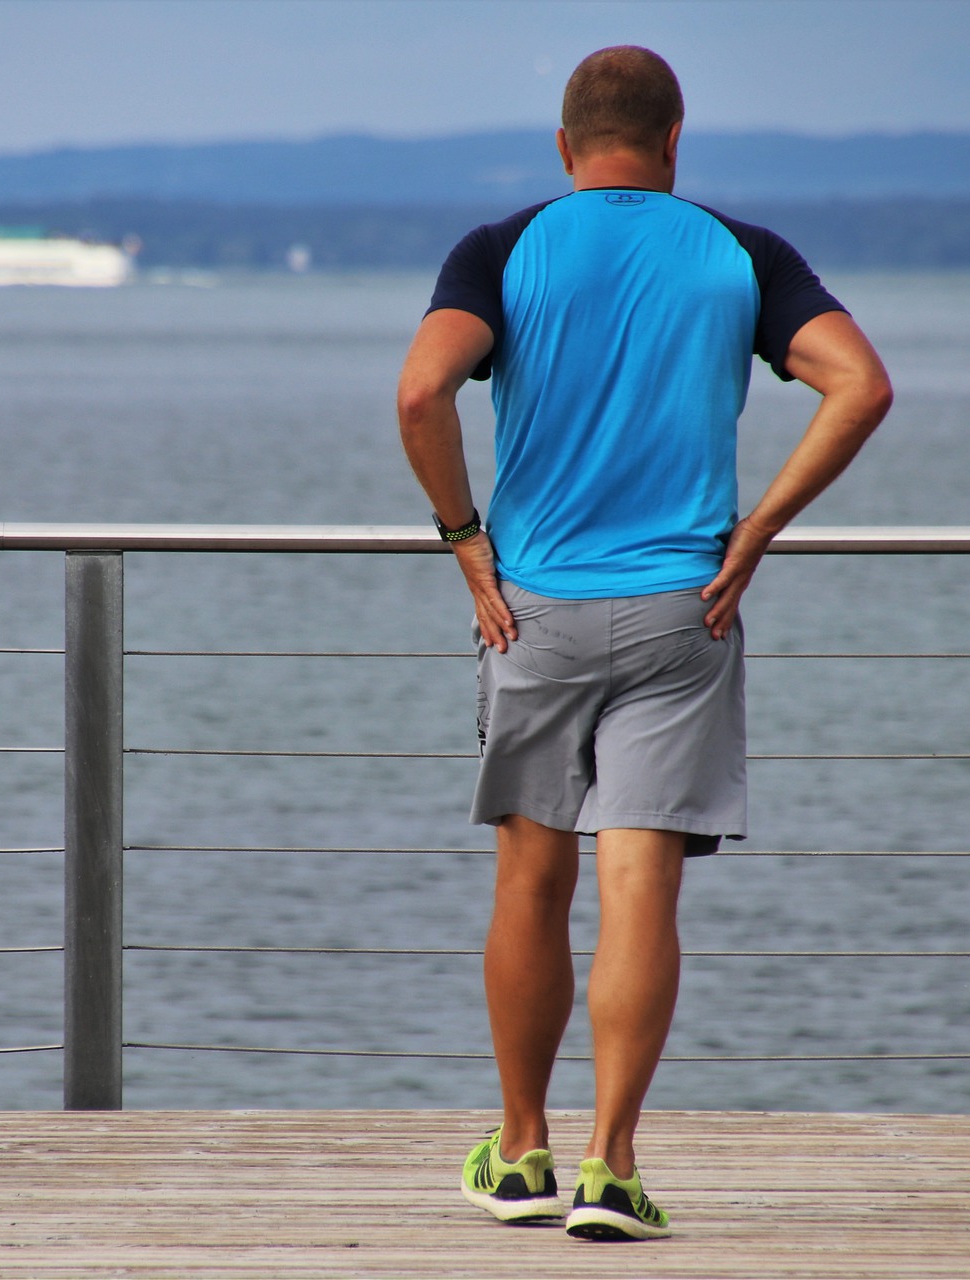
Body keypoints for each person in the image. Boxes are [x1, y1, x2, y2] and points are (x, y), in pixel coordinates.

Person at [396, 45, 893, 1241]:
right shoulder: (743, 252)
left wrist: (465, 538)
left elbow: (422, 394)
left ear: (566, 149)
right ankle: (614, 1168)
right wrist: (759, 527)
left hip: (531, 607)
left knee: (531, 875)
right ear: (676, 142)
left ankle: (521, 1151)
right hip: (689, 606)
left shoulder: (503, 248)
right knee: (640, 888)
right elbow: (861, 385)